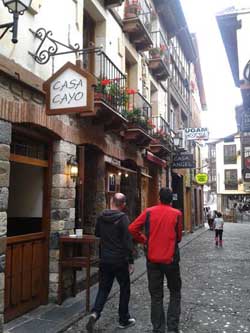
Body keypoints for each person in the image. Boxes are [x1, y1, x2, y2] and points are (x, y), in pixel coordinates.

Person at [128, 187, 182, 333]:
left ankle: (158, 329)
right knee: (175, 292)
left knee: (156, 296)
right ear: (171, 200)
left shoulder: (149, 212)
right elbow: (179, 237)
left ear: (159, 198)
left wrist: (144, 240)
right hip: (171, 259)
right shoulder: (177, 214)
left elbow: (132, 228)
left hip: (153, 260)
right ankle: (172, 327)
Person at [86, 193, 135, 332]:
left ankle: (95, 313)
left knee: (103, 288)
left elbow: (97, 234)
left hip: (105, 259)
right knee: (125, 288)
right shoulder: (123, 218)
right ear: (123, 205)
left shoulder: (101, 217)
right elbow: (127, 242)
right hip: (120, 260)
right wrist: (130, 261)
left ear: (111, 201)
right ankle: (124, 319)